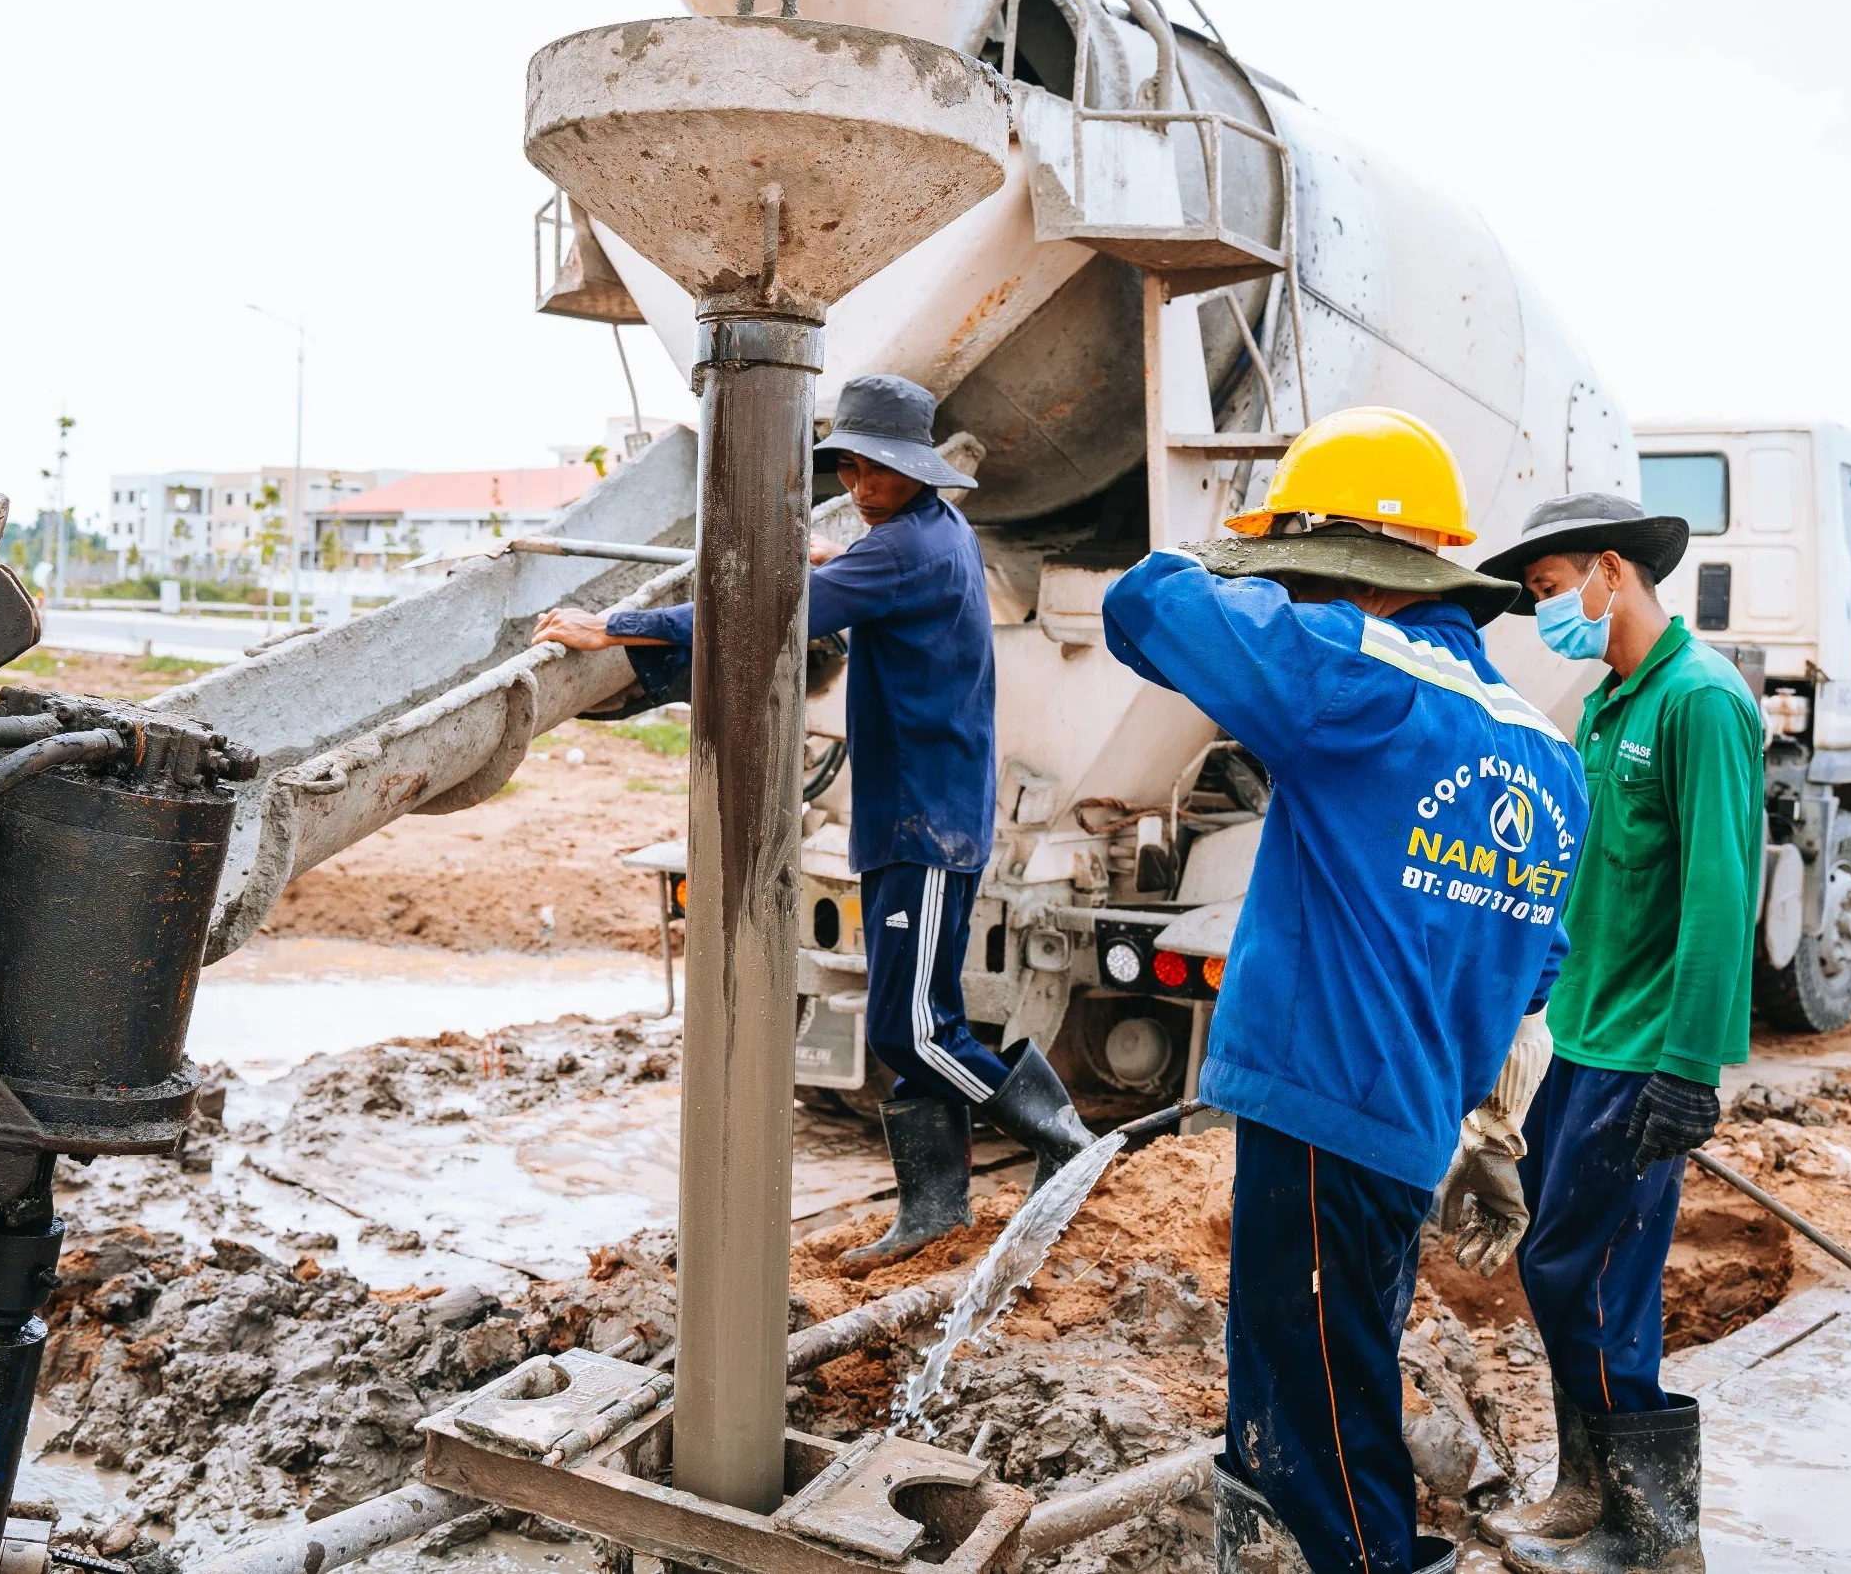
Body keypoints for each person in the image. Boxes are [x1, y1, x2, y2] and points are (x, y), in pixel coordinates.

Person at [1101, 408, 1587, 1574]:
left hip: (1324, 1104)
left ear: (1349, 574)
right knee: (1320, 1369)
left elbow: (1145, 604)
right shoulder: (1544, 752)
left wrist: (1241, 556)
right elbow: (1539, 966)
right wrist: (1487, 1129)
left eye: (1307, 575)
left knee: (1316, 1416)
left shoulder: (1355, 680)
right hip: (1405, 1125)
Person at [532, 373, 1090, 1267]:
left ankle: (1064, 1140)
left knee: (905, 1029)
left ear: (915, 471)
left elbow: (762, 613)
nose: (861, 485)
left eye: (877, 470)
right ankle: (934, 1210)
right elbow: (861, 574)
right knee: (928, 1013)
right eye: (851, 468)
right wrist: (832, 557)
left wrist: (618, 626)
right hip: (920, 813)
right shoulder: (931, 535)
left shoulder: (905, 551)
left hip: (925, 824)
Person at [1470, 493, 1762, 1574]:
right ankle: (1582, 1491)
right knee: (1562, 1275)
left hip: (1641, 1055)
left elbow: (1720, 902)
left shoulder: (1701, 702)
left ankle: (1646, 1531)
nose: (1546, 612)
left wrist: (1689, 1072)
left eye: (1548, 592)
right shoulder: (1605, 707)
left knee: (1590, 1282)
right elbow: (1582, 890)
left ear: (1608, 571)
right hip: (1579, 1043)